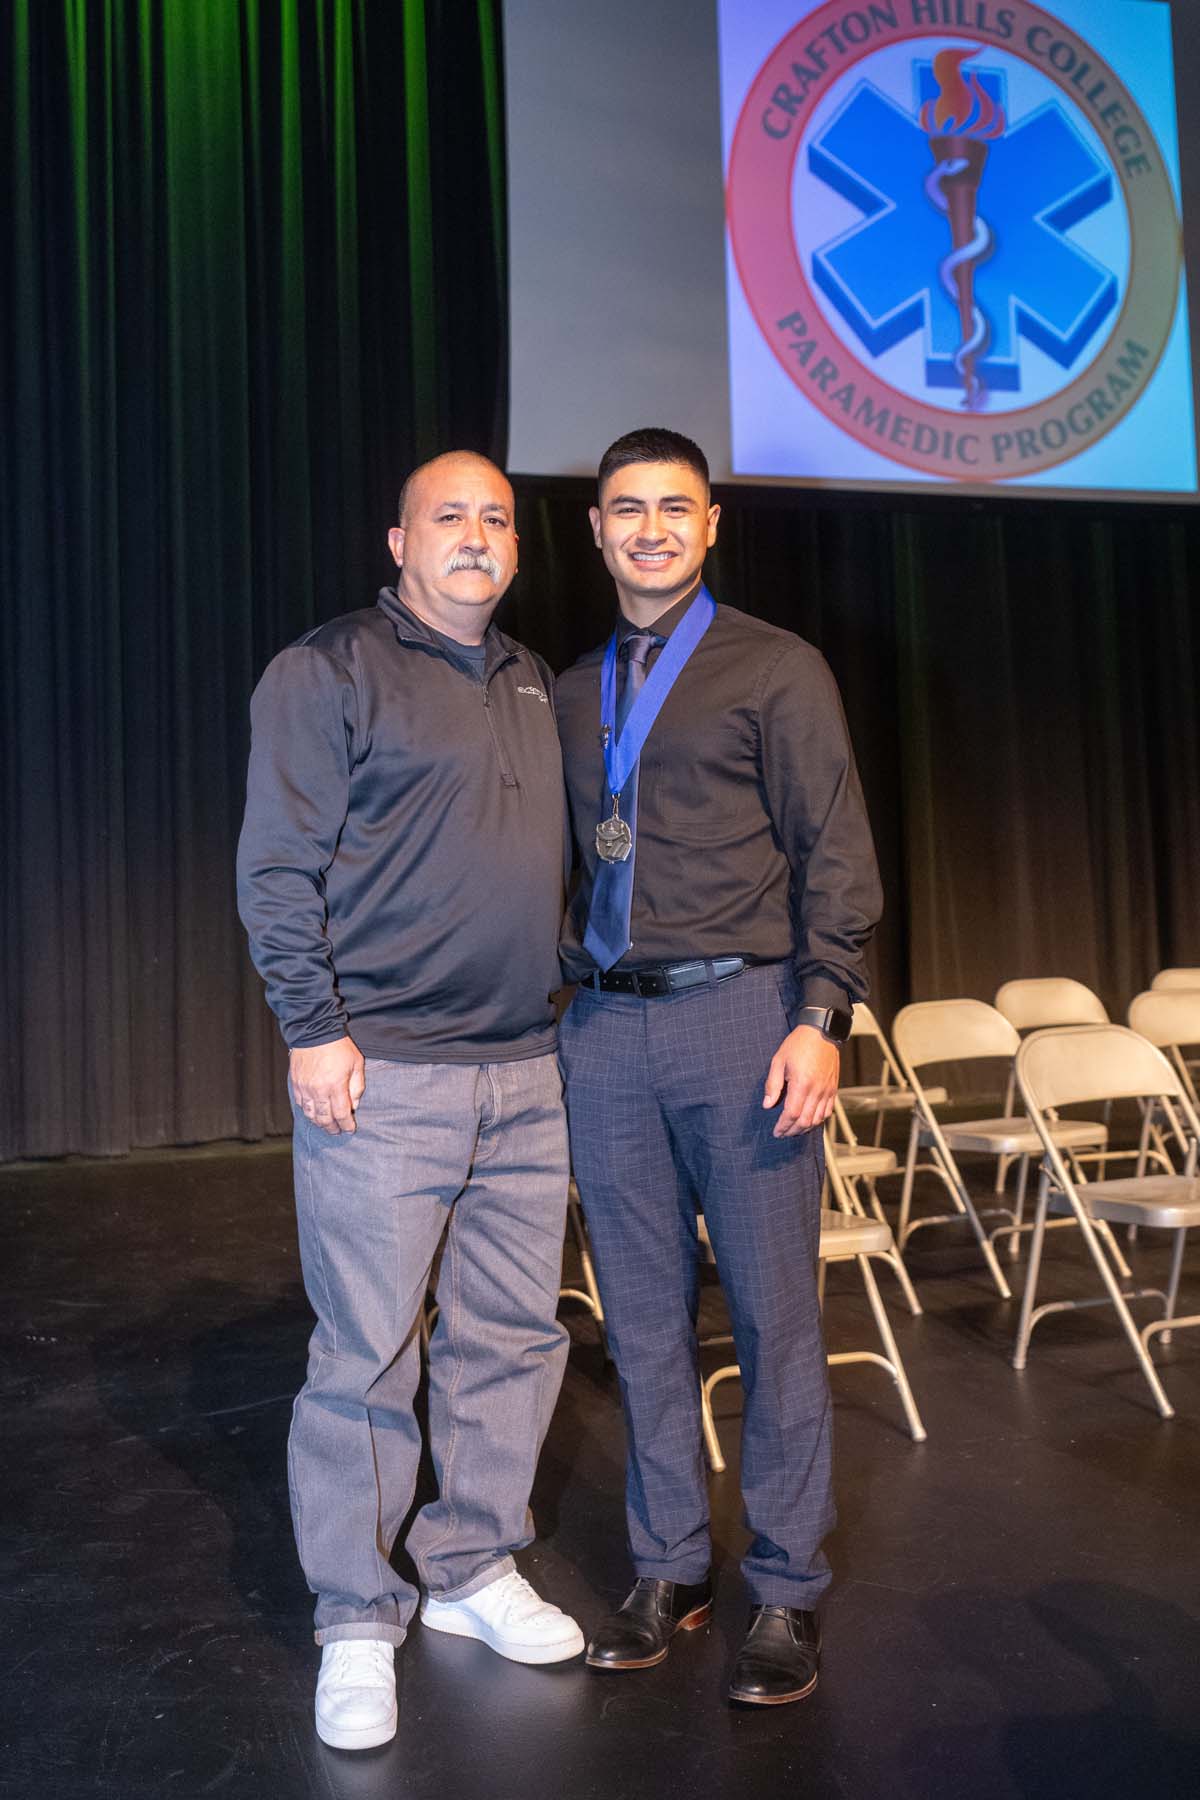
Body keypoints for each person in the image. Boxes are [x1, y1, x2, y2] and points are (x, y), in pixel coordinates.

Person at [236, 452, 583, 1753]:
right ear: (399, 541)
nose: (479, 537)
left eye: (498, 519)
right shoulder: (326, 671)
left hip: (526, 1069)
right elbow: (276, 868)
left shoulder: (532, 682)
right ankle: (355, 1618)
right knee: (366, 1356)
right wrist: (314, 1030)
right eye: (453, 518)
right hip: (382, 1075)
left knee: (509, 1336)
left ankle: (470, 1568)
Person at [555, 427, 882, 1706]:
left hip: (744, 1023)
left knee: (772, 1317)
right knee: (639, 1327)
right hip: (604, 1033)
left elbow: (836, 856)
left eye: (672, 508)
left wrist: (824, 1014)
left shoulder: (776, 668)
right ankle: (671, 1566)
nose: (648, 528)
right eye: (625, 508)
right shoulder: (571, 687)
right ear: (594, 530)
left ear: (711, 523)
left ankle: (788, 1586)